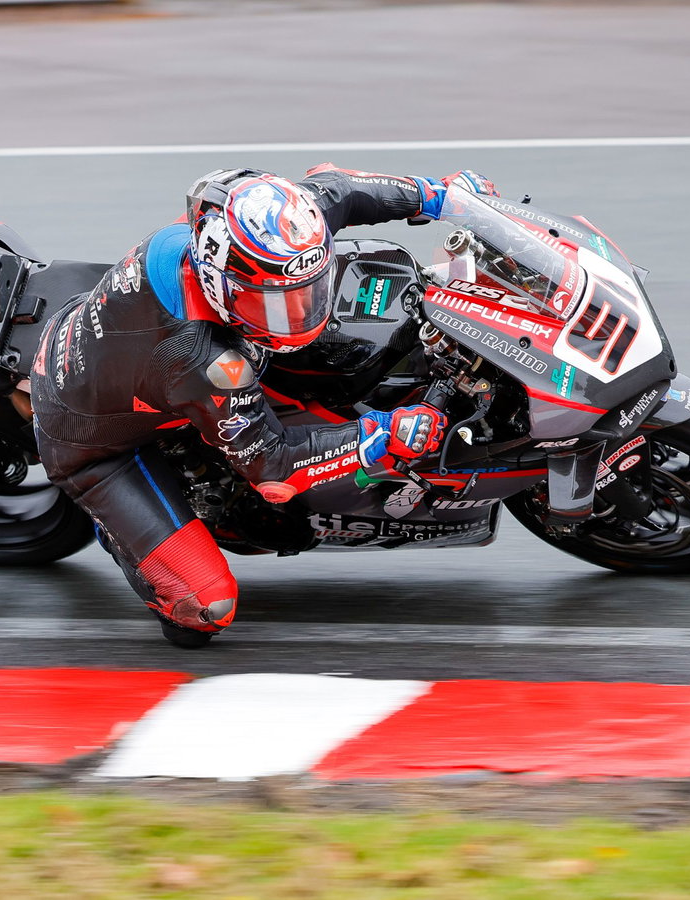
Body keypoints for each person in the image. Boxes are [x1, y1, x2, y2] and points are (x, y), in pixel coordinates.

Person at [30, 165, 498, 646]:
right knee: (206, 608)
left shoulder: (267, 230)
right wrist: (380, 434)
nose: (302, 312)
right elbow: (273, 469)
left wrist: (443, 197)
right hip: (94, 444)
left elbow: (342, 190)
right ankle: (123, 535)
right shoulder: (201, 358)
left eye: (309, 291)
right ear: (221, 284)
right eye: (275, 304)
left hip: (122, 353)